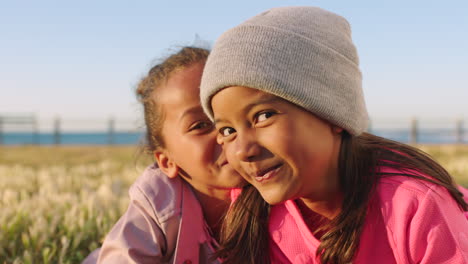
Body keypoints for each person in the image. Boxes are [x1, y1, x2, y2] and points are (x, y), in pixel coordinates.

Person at [199, 6, 468, 264]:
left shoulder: (417, 207)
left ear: (333, 114)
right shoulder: (252, 209)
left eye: (264, 116)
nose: (244, 150)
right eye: (228, 130)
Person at [83, 46, 244, 264]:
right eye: (201, 125)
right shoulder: (160, 203)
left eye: (231, 114)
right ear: (167, 162)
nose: (224, 132)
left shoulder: (268, 188)